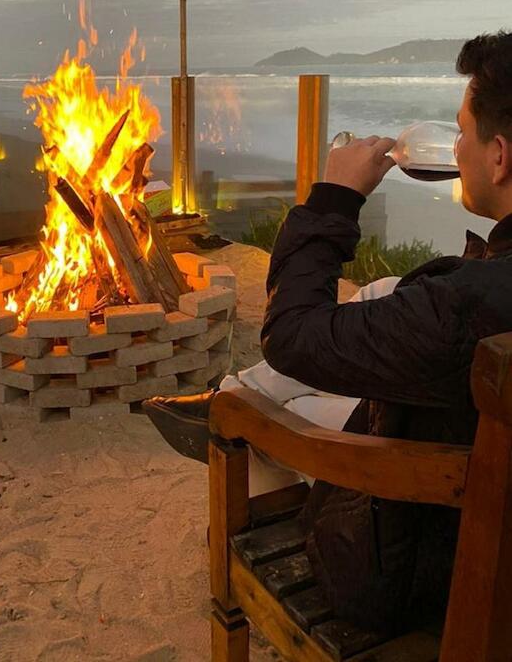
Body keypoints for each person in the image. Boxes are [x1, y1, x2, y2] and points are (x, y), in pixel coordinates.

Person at [144, 31, 512, 635]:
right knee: (366, 310)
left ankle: (228, 435)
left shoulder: (466, 307)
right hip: (459, 455)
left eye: (462, 131)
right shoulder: (476, 297)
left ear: (499, 156)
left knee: (248, 414)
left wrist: (335, 198)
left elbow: (290, 333)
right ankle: (228, 398)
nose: (456, 148)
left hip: (432, 565)